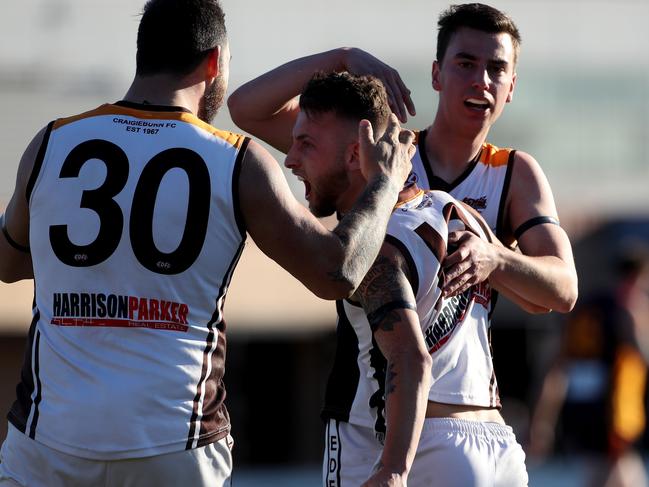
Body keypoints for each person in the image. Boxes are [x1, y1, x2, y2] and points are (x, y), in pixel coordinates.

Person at [0, 0, 414, 485]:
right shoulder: (235, 160)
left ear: (143, 53)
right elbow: (336, 272)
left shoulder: (51, 141)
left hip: (47, 440)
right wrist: (385, 183)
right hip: (176, 443)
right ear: (215, 61)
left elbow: (8, 264)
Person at [228, 2, 578, 316]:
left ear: (512, 86)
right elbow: (246, 108)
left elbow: (564, 290)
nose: (481, 81)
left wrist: (494, 258)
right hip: (368, 382)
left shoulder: (514, 172)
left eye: (497, 69)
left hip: (462, 386)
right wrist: (341, 58)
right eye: (466, 64)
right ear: (436, 74)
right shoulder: (382, 149)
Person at [273, 71, 528, 486]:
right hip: (499, 447)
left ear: (356, 155)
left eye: (306, 144)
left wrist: (394, 468)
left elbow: (410, 358)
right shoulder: (456, 211)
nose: (290, 158)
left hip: (418, 447)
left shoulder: (374, 249)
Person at [529, 244, 649, 487]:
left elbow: (556, 366)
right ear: (636, 279)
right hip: (612, 414)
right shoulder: (625, 311)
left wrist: (543, 419)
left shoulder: (585, 310)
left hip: (581, 411)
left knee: (619, 474)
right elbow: (642, 355)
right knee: (612, 475)